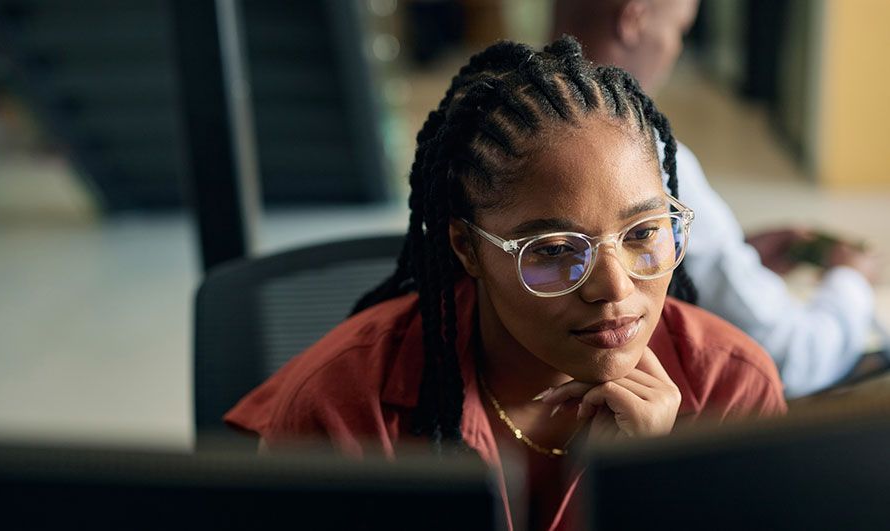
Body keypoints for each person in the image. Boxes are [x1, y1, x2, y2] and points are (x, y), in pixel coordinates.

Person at [225, 37, 786, 531]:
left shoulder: (731, 393)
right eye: (556, 250)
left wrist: (647, 487)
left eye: (643, 233)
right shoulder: (344, 409)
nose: (614, 288)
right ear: (467, 248)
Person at [553, 0, 882, 397]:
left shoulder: (502, 127)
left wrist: (734, 256)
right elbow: (792, 356)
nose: (674, 49)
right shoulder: (645, 158)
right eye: (679, 29)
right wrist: (851, 282)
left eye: (643, 235)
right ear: (633, 18)